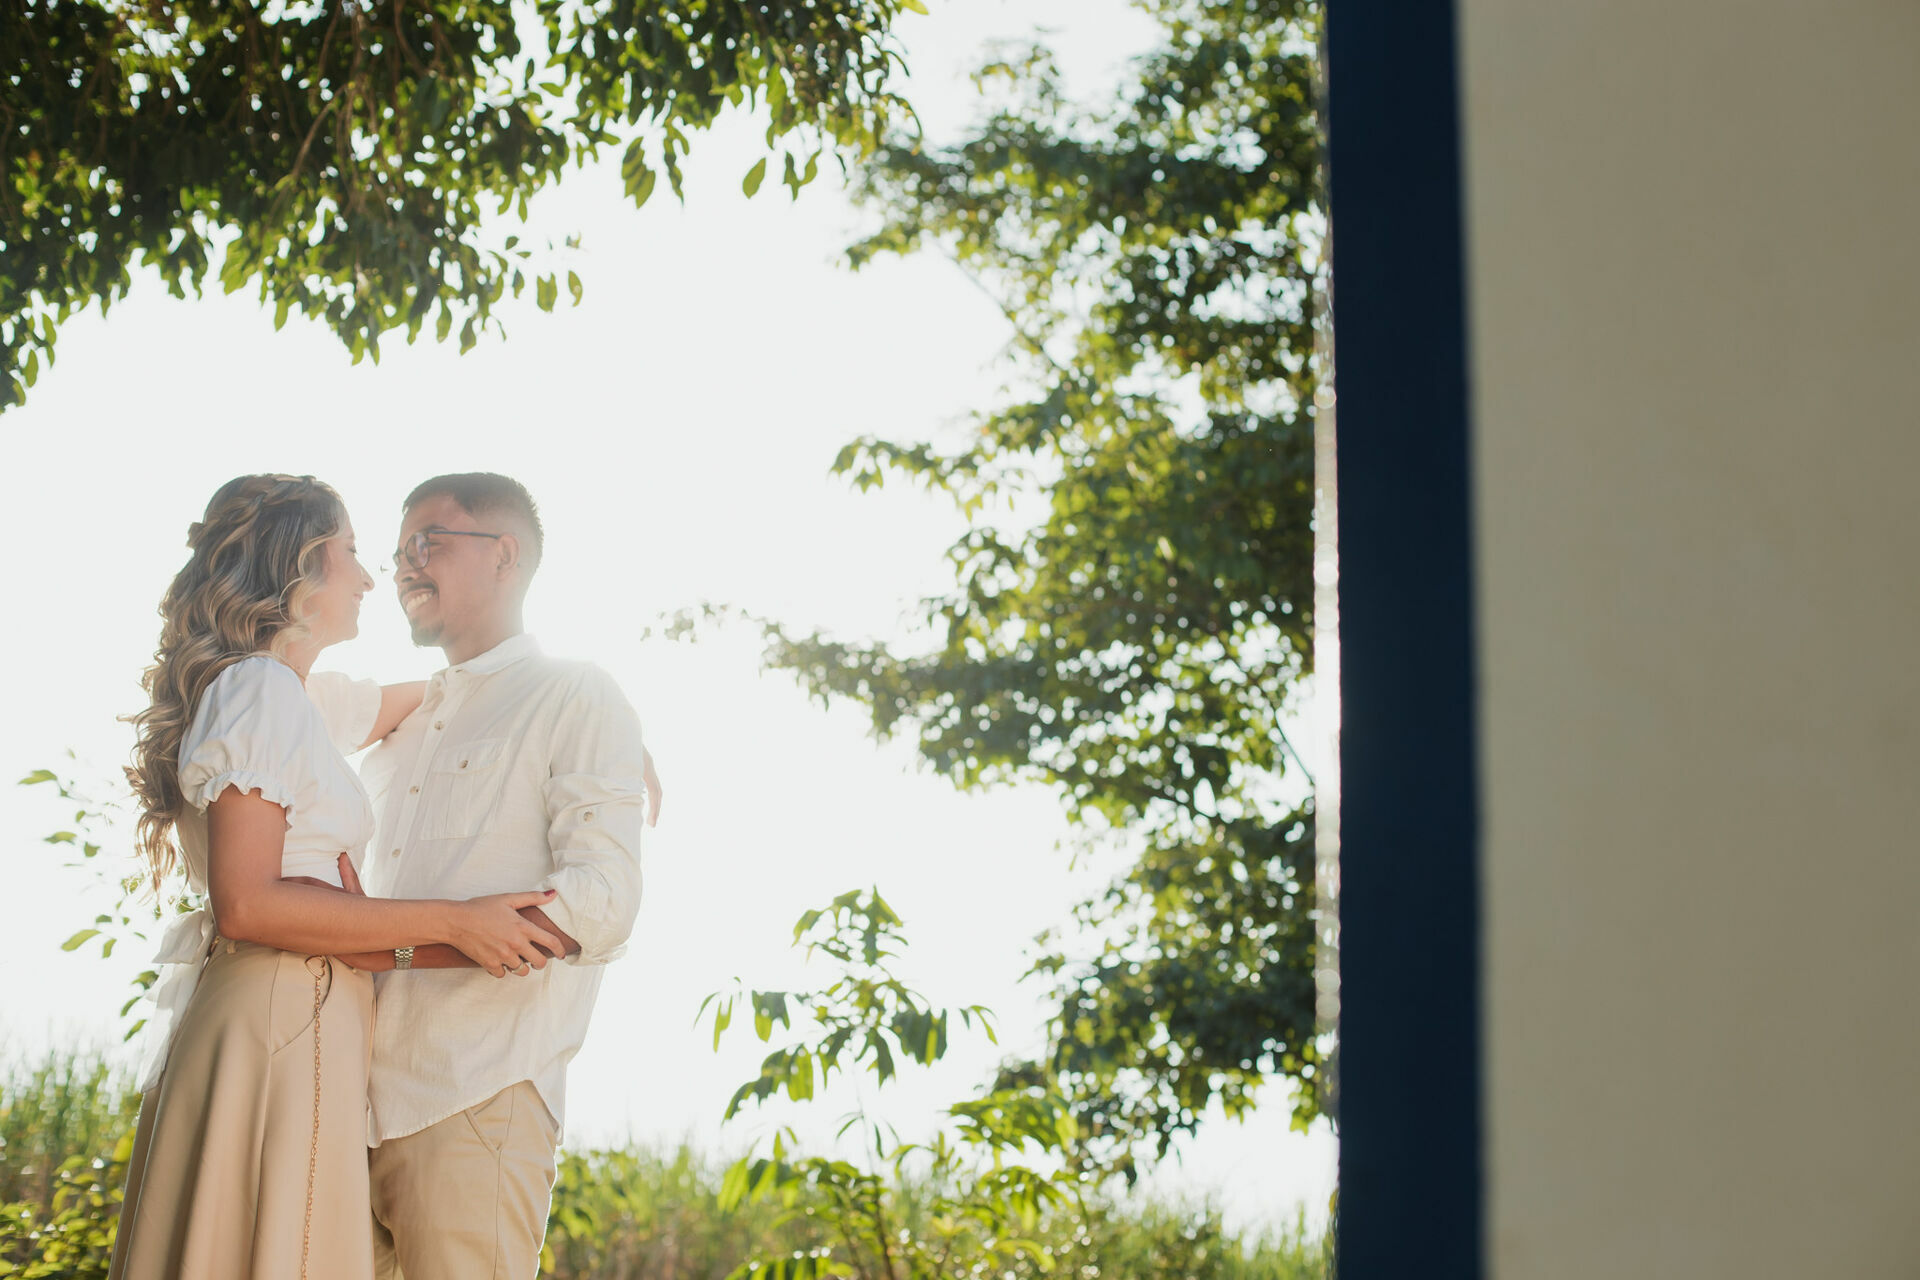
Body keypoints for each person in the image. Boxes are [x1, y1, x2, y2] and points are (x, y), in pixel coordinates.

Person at [109, 473, 567, 1280]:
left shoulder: (291, 701)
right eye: (352, 552)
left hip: (292, 1009)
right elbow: (249, 903)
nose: (370, 577)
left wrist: (571, 711)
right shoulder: (257, 692)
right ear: (301, 568)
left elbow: (438, 696)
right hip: (283, 1016)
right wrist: (456, 920)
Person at [343, 473, 653, 1280]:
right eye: (399, 548)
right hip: (343, 1110)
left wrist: (398, 949)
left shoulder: (576, 694)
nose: (405, 566)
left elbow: (602, 904)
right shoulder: (401, 727)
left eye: (428, 543)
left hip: (477, 1098)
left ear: (505, 556)